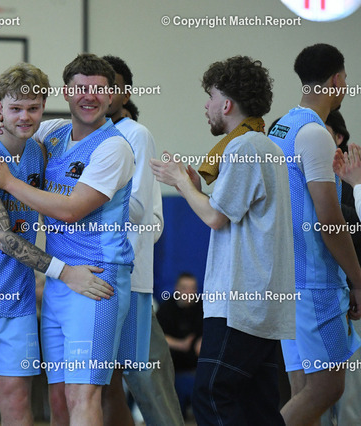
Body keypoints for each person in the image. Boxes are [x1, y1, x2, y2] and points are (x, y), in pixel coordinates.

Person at [0, 62, 113, 426]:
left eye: (33, 108)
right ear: (0, 108)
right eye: (15, 108)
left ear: (43, 107)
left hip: (17, 297)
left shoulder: (39, 153)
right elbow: (4, 239)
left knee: (17, 398)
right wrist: (66, 273)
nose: (25, 117)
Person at [0, 53, 135, 426]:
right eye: (81, 89)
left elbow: (71, 210)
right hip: (60, 279)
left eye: (99, 89)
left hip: (96, 278)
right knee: (58, 398)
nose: (89, 96)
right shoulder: (53, 132)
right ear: (66, 93)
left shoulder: (114, 147)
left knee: (83, 394)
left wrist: (8, 181)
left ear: (112, 95)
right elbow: (9, 128)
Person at [150, 55, 295, 425]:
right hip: (261, 303)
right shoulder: (267, 148)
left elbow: (216, 217)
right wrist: (193, 190)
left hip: (240, 304)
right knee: (259, 407)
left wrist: (180, 182)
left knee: (212, 394)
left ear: (227, 104)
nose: (206, 106)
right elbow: (228, 211)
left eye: (210, 97)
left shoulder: (244, 148)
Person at [267, 43, 361, 426]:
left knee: (302, 390)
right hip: (314, 284)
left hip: (286, 280)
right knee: (327, 389)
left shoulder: (281, 127)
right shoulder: (315, 134)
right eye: (345, 80)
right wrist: (357, 278)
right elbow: (329, 219)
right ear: (336, 80)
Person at [98, 55, 162, 426]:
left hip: (126, 275)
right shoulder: (80, 134)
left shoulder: (136, 134)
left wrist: (84, 201)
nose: (104, 94)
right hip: (89, 272)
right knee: (101, 384)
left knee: (127, 382)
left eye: (113, 86)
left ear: (125, 93)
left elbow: (139, 210)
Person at [323, 112, 361, 426]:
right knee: (314, 387)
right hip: (314, 298)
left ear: (339, 138)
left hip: (352, 296)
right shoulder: (299, 177)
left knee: (349, 391)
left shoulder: (352, 180)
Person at [156, 272, 203, 418]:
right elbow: (157, 337)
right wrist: (180, 344)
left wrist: (204, 340)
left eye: (192, 288)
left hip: (197, 366)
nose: (189, 292)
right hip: (172, 367)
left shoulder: (203, 308)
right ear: (176, 288)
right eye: (184, 288)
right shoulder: (166, 309)